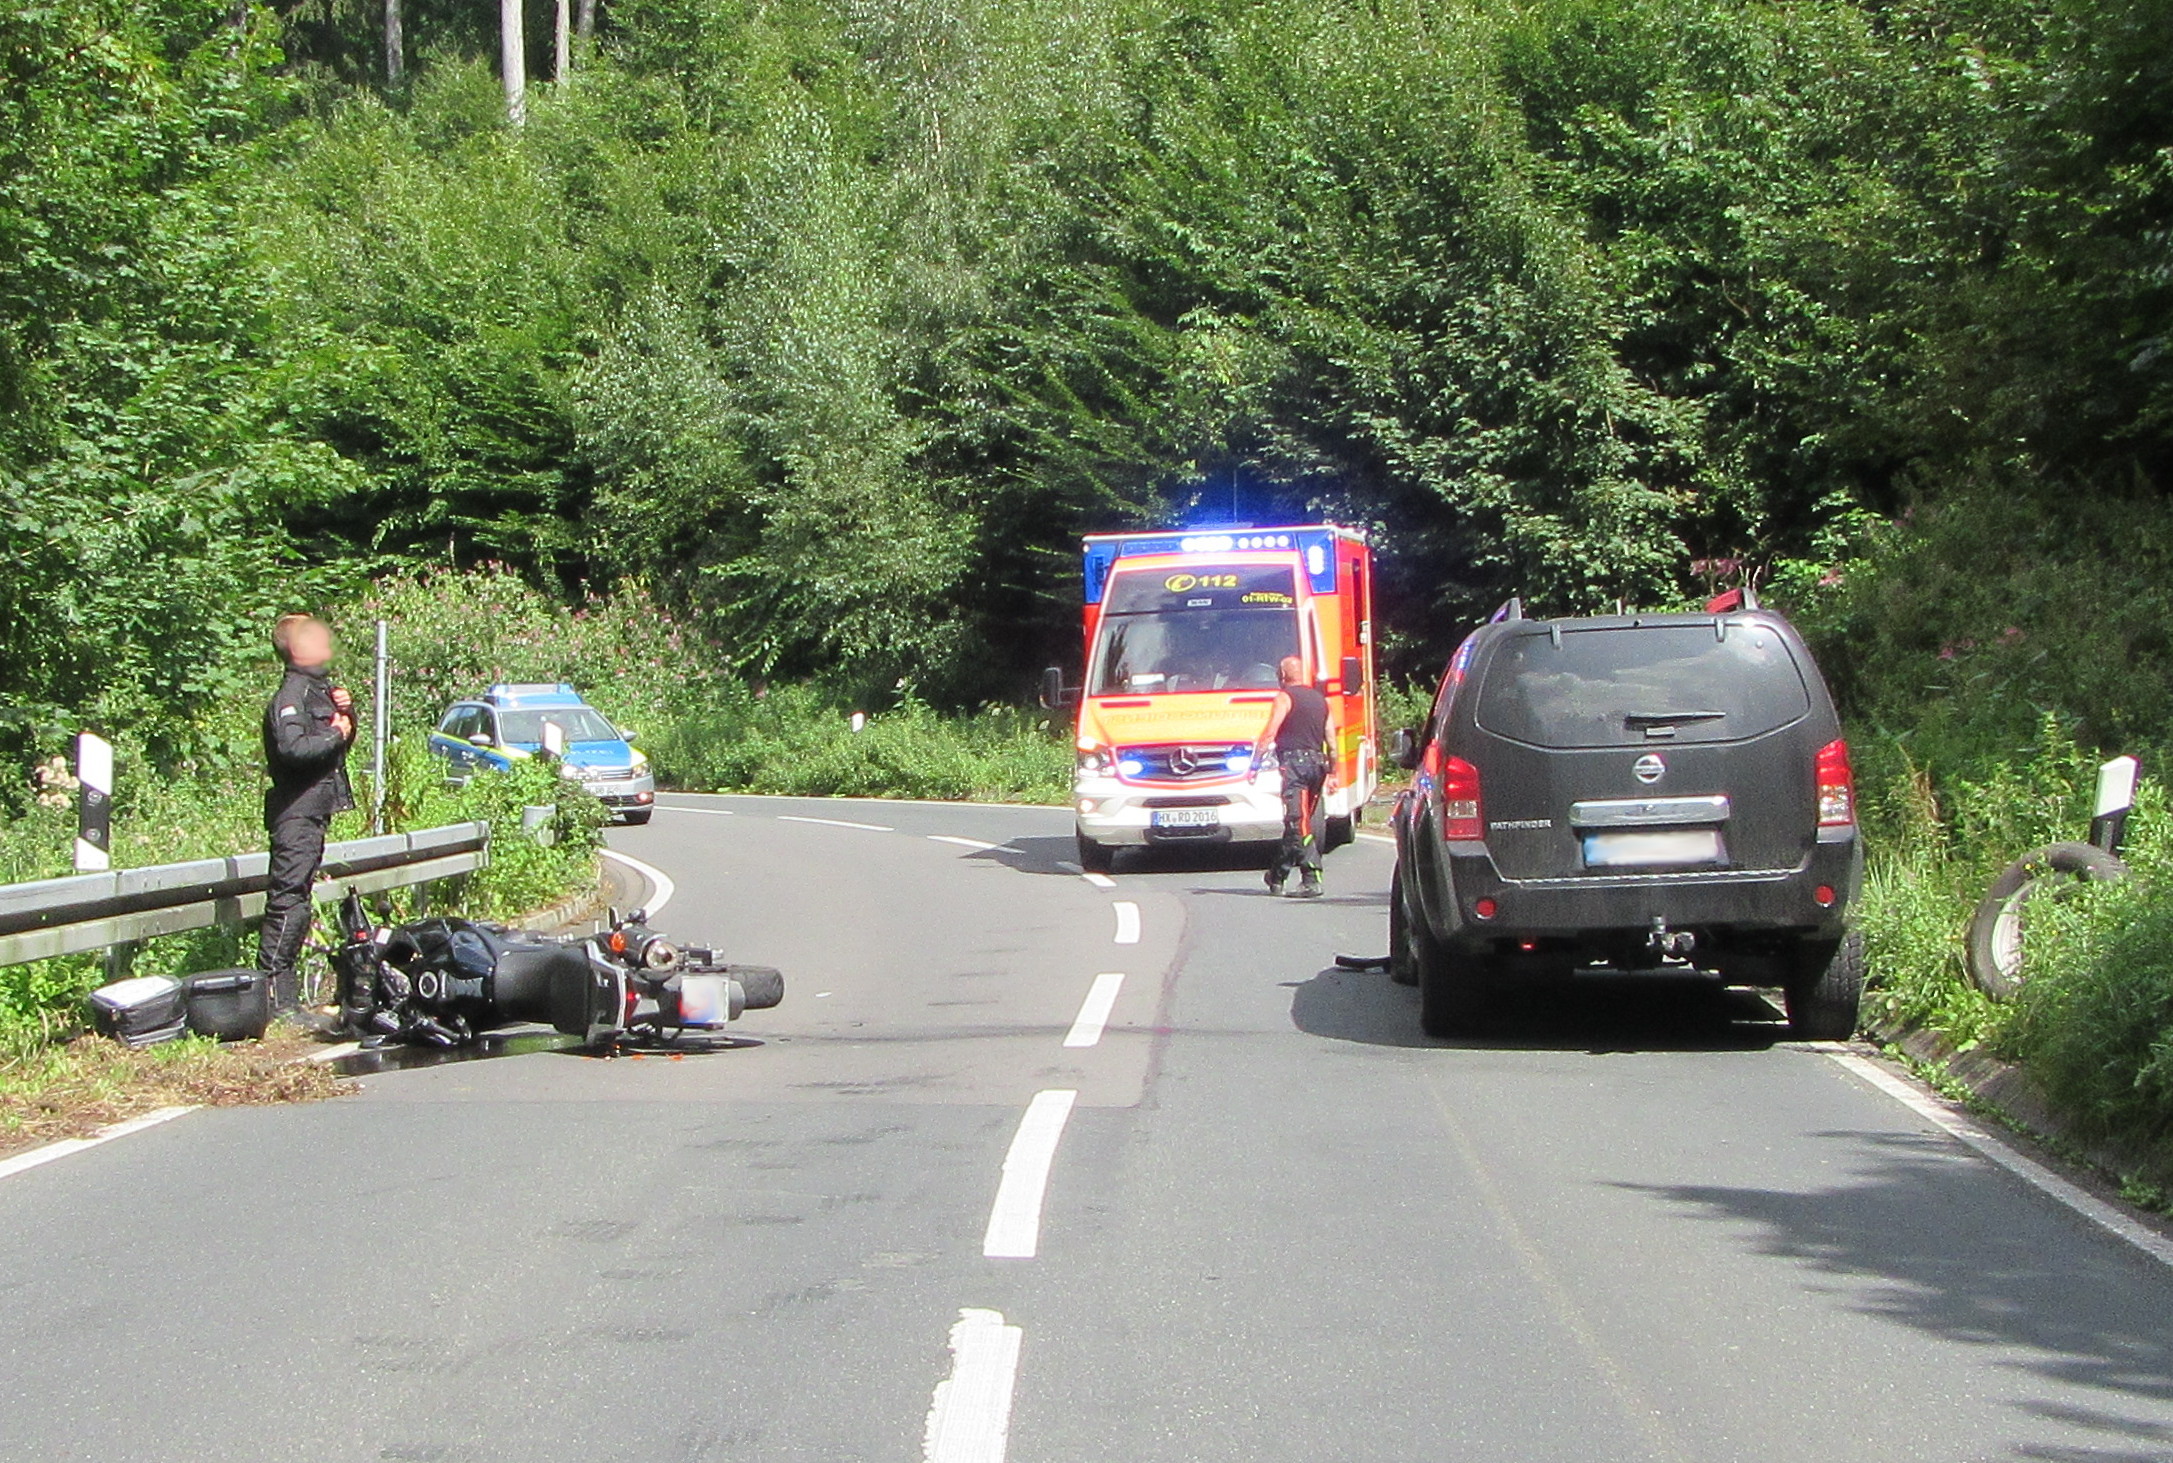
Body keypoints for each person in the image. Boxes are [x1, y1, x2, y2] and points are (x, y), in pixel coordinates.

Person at [258, 613, 356, 1016]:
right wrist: (336, 732)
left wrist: (348, 716)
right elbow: (293, 749)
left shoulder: (318, 690)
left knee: (297, 900)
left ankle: (285, 998)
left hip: (313, 812)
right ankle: (274, 998)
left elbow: (335, 745)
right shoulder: (292, 694)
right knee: (288, 902)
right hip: (295, 814)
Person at [1250, 655, 1334, 899]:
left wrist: (1254, 764)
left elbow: (1269, 733)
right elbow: (1331, 740)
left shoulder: (1284, 698)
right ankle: (1277, 876)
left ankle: (1311, 878)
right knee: (1298, 822)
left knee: (1298, 822)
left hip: (1295, 765)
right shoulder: (1321, 700)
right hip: (1318, 765)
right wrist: (1334, 772)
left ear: (1282, 675)